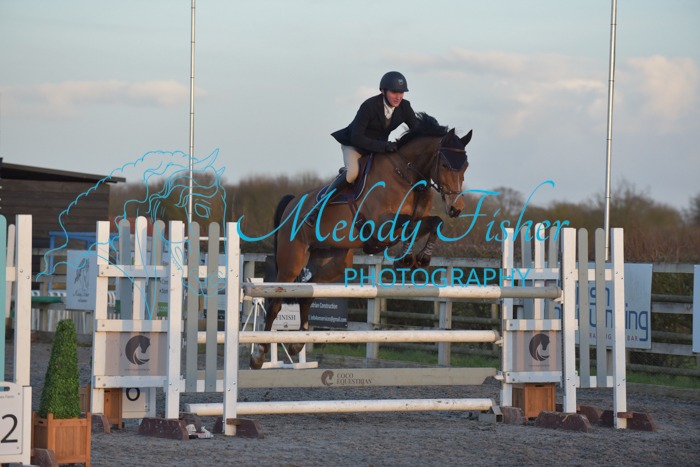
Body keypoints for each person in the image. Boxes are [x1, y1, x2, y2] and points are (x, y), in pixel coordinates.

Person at [306, 71, 419, 226]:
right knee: (352, 173)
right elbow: (357, 138)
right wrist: (384, 146)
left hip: (376, 149)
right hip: (354, 146)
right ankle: (317, 208)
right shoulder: (369, 106)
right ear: (383, 91)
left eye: (401, 93)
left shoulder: (405, 107)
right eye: (394, 92)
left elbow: (417, 130)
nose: (398, 97)